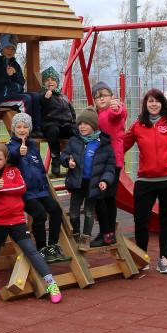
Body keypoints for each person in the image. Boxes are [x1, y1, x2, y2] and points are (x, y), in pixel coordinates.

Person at [0, 143, 63, 304]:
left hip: (17, 219)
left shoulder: (13, 171)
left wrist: (2, 187)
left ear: (5, 160)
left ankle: (51, 283)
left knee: (31, 250)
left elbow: (21, 187)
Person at [122, 89, 167, 273]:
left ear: (162, 104)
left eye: (157, 101)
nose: (154, 104)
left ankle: (164, 258)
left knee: (166, 220)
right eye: (150, 101)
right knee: (141, 220)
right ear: (145, 104)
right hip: (145, 180)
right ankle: (142, 257)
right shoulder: (137, 125)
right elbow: (123, 145)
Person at [7, 113, 69, 263]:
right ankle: (41, 248)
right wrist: (17, 154)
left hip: (40, 190)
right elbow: (8, 163)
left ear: (29, 129)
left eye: (25, 126)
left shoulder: (33, 147)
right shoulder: (10, 147)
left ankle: (52, 245)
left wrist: (45, 187)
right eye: (19, 127)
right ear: (14, 129)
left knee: (56, 210)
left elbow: (40, 169)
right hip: (25, 192)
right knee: (40, 214)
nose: (22, 129)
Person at [62, 107, 117, 249]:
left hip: (93, 184)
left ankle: (86, 238)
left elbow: (109, 166)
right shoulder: (74, 141)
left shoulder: (103, 144)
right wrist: (68, 161)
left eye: (85, 124)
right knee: (74, 212)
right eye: (80, 124)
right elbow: (64, 155)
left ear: (93, 125)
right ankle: (76, 234)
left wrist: (105, 180)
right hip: (77, 183)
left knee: (88, 212)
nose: (82, 127)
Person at [93, 81, 126, 245]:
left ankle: (107, 233)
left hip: (113, 161)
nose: (101, 99)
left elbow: (118, 114)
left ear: (111, 97)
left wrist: (116, 107)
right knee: (103, 197)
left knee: (106, 196)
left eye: (104, 95)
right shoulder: (96, 114)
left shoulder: (113, 111)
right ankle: (107, 232)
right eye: (98, 97)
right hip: (100, 161)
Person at [0, 34, 42, 136]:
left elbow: (21, 82)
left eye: (13, 49)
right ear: (2, 49)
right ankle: (27, 130)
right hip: (2, 98)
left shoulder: (15, 64)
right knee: (25, 100)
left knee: (36, 96)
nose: (10, 51)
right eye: (7, 48)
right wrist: (6, 75)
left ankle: (37, 128)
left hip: (15, 95)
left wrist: (14, 74)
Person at [38, 67, 76, 178]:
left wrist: (73, 122)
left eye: (53, 80)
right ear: (44, 83)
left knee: (74, 131)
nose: (50, 82)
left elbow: (71, 111)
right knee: (53, 130)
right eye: (47, 80)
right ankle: (55, 159)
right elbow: (40, 103)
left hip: (64, 124)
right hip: (50, 123)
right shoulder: (43, 94)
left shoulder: (63, 96)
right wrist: (45, 97)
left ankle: (73, 157)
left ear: (57, 82)